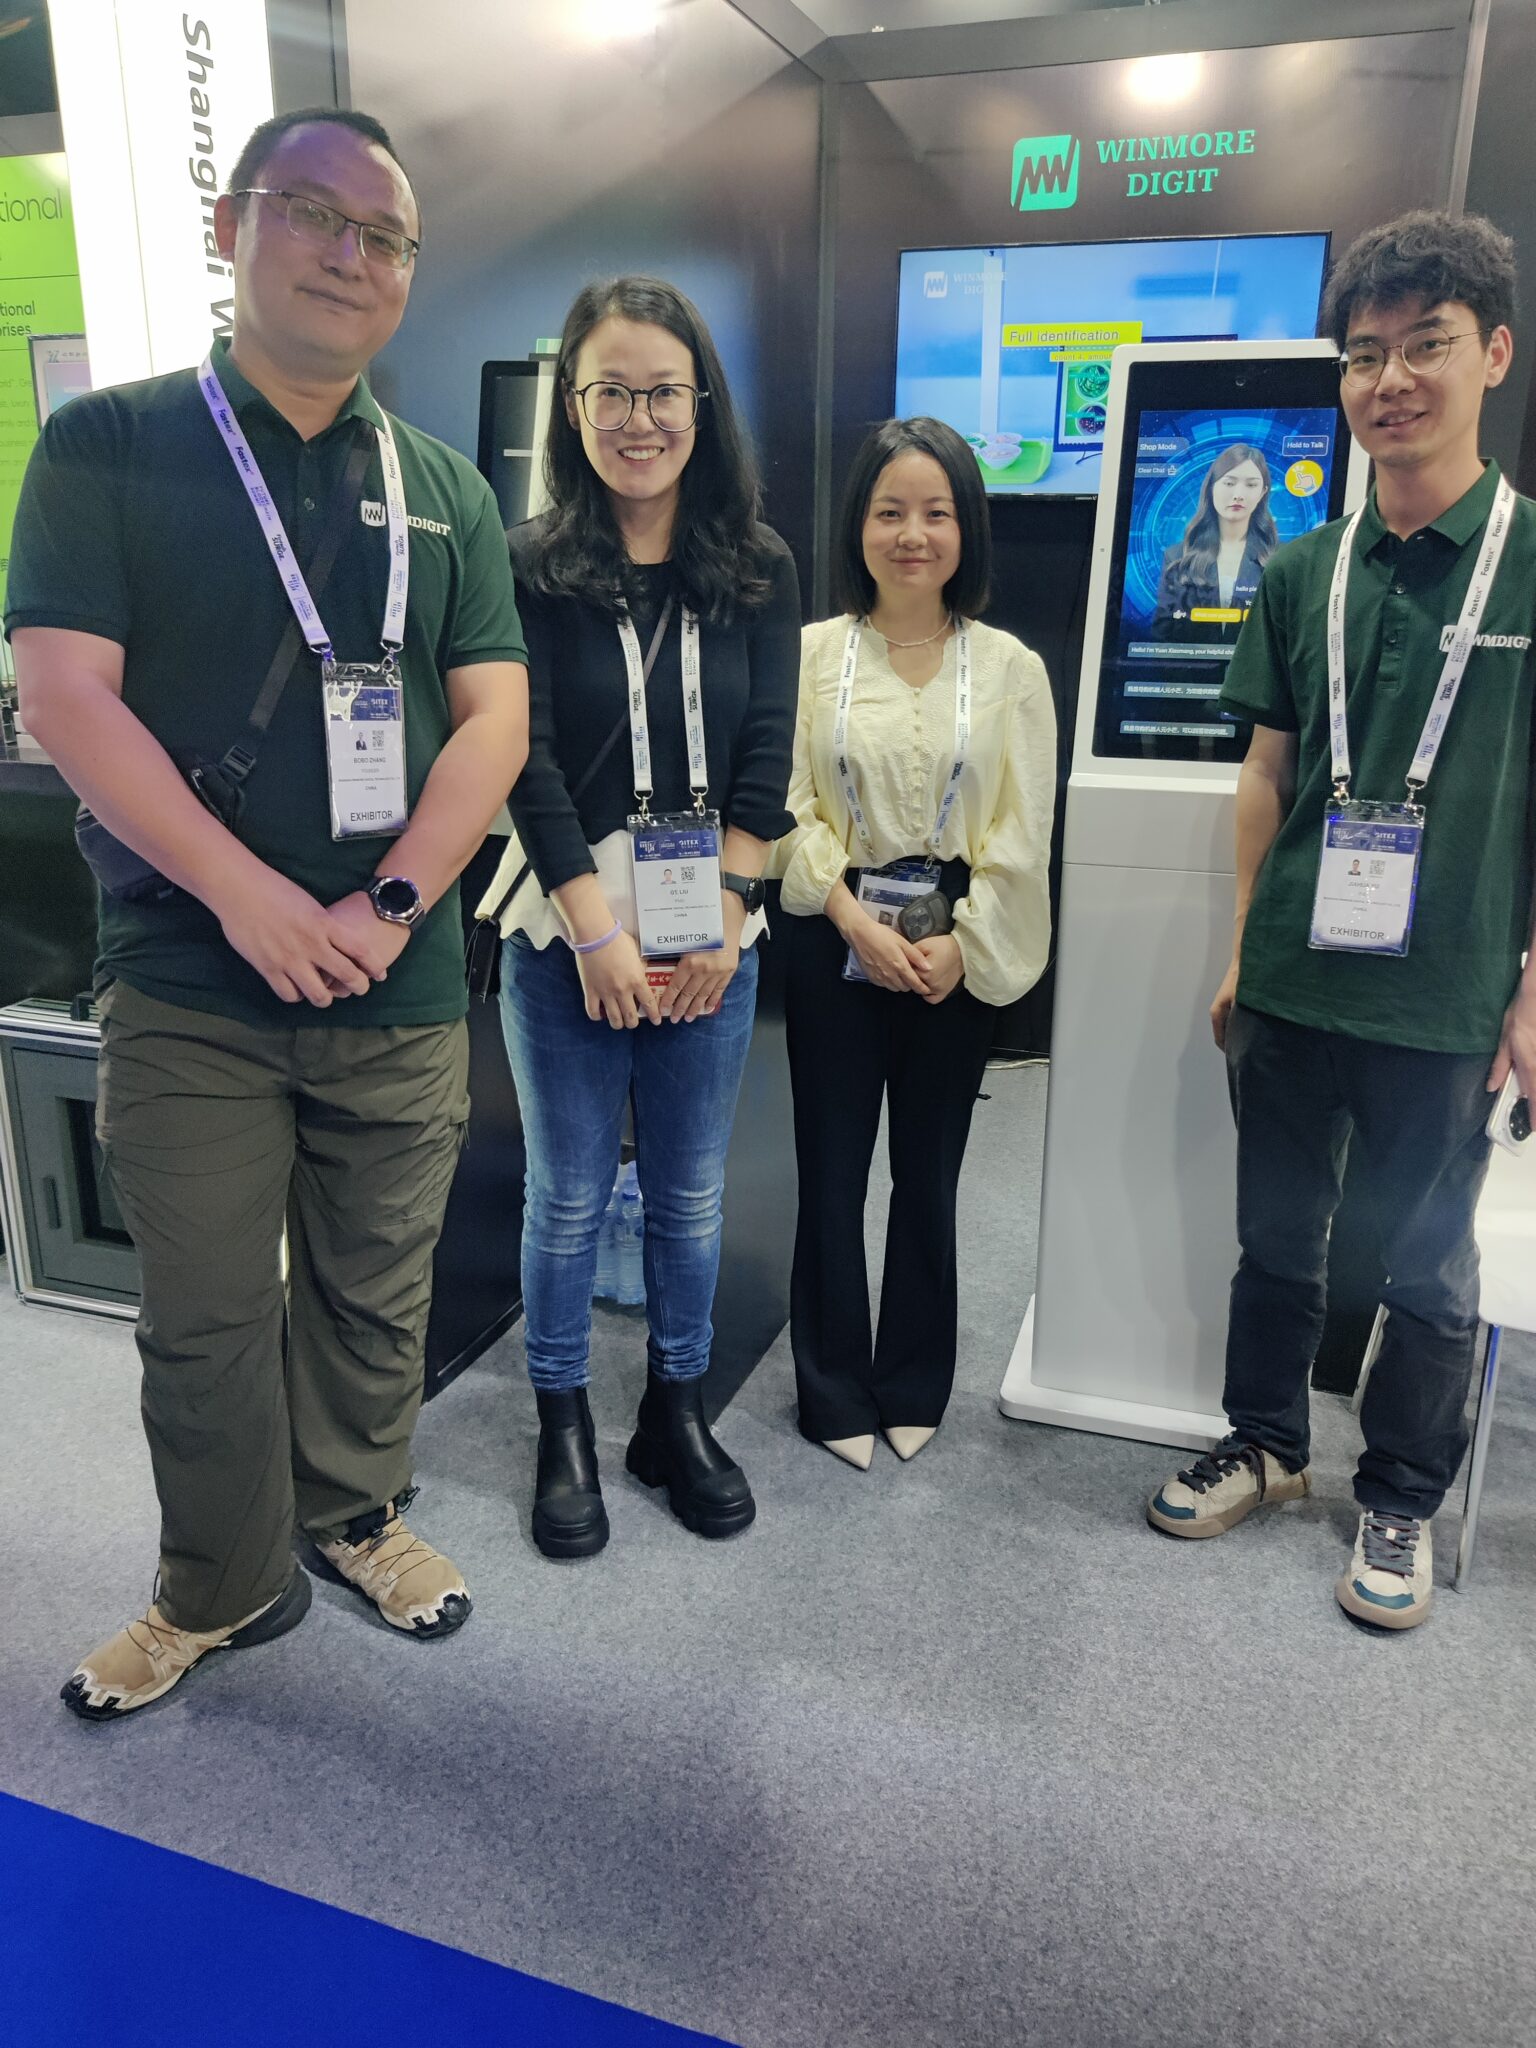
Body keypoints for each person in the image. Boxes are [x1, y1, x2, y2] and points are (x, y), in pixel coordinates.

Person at [5, 108, 529, 1716]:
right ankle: (210, 1586)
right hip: (190, 974)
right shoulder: (111, 444)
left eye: (387, 239)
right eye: (318, 215)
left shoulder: (440, 484)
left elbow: (491, 723)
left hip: (400, 972)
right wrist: (245, 899)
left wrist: (382, 902)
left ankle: (357, 1514)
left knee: (379, 1285)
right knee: (206, 1310)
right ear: (236, 228)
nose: (352, 257)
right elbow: (63, 697)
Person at [1147, 210, 1536, 1631]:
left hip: (1448, 993)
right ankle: (1268, 1443)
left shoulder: (1532, 563)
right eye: (1366, 355)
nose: (1391, 382)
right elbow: (1265, 778)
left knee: (1428, 1265)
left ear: (1492, 352)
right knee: (1280, 1241)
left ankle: (1402, 1501)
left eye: (1424, 347)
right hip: (1300, 979)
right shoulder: (1306, 571)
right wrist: (1248, 941)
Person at [478, 276, 798, 1558]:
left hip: (714, 926)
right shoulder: (529, 561)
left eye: (663, 390)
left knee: (689, 1198)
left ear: (701, 402)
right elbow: (527, 755)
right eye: (610, 390)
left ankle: (675, 1410)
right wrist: (598, 932)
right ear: (574, 403)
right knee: (563, 1196)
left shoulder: (757, 564)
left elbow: (769, 747)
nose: (639, 417)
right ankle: (563, 1421)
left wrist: (722, 913)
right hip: (565, 929)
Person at [775, 417, 1057, 1468]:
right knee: (833, 1167)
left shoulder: (1011, 666)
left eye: (935, 512)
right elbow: (786, 801)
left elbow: (1024, 830)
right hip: (834, 935)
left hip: (953, 948)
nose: (911, 533)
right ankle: (833, 1380)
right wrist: (845, 911)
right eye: (890, 510)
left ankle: (913, 1377)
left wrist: (965, 944)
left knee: (929, 1175)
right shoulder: (808, 654)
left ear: (965, 527)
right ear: (859, 524)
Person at [1151, 443, 1278, 640]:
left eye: (1251, 485)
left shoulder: (1281, 557)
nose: (1238, 495)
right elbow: (1162, 636)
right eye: (1229, 483)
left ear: (1263, 492)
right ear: (1211, 487)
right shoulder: (1176, 557)